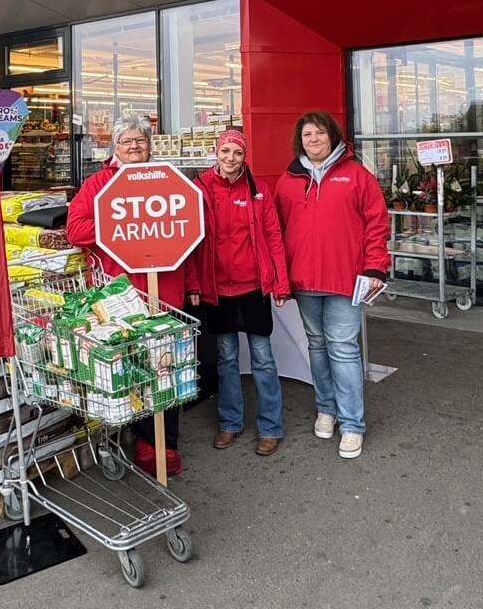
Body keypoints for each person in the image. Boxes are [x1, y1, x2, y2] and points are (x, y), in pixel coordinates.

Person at [66, 115, 189, 476]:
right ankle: (144, 441)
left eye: (141, 141)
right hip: (121, 299)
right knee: (132, 373)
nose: (135, 147)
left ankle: (165, 447)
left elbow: (189, 228)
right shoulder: (98, 184)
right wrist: (118, 221)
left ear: (150, 145)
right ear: (114, 147)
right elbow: (76, 229)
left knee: (167, 371)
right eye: (127, 142)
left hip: (164, 293)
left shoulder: (167, 181)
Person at [273, 111, 390, 461]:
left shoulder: (356, 176)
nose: (313, 139)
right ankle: (327, 409)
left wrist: (376, 268)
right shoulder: (289, 180)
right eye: (307, 134)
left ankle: (352, 424)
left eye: (319, 133)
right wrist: (280, 278)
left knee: (343, 348)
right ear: (300, 140)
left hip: (345, 280)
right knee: (317, 346)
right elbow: (276, 231)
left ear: (333, 137)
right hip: (305, 280)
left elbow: (377, 224)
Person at [186, 129, 290, 456]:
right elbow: (188, 242)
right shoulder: (199, 189)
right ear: (217, 152)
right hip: (217, 290)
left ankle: (270, 427)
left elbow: (273, 237)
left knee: (263, 358)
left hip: (253, 287)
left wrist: (281, 283)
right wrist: (193, 285)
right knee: (227, 358)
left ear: (245, 157)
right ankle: (230, 423)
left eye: (238, 153)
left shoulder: (258, 189)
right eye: (226, 151)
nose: (231, 158)